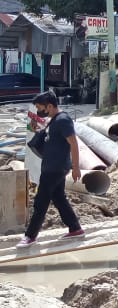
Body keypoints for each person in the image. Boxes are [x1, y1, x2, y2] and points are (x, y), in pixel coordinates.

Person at [16, 92, 84, 248]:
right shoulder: (53, 120)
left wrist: (76, 167)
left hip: (56, 168)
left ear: (50, 106)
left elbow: (73, 143)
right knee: (59, 198)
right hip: (51, 166)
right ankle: (75, 228)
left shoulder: (63, 120)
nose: (40, 111)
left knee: (41, 202)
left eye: (41, 108)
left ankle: (30, 236)